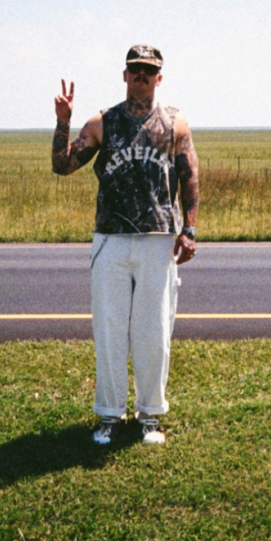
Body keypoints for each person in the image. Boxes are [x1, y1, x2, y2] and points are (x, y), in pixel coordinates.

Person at [52, 44, 199, 446]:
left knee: (154, 332)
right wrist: (63, 122)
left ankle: (150, 415)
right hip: (112, 241)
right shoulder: (103, 122)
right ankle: (109, 416)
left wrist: (190, 229)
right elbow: (62, 165)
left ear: (159, 77)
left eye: (148, 71)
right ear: (124, 75)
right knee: (110, 330)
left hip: (158, 239)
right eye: (135, 69)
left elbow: (189, 176)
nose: (141, 76)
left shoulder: (175, 124)